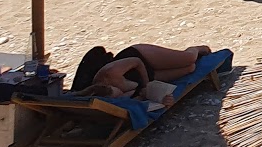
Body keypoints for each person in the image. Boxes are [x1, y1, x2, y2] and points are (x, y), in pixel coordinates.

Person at [72, 43, 213, 106]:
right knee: (190, 68)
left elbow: (136, 61)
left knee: (188, 58)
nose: (122, 94)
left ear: (107, 85)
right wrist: (160, 99)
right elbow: (138, 101)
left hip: (141, 57)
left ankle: (197, 48)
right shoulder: (115, 99)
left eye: (119, 93)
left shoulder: (109, 73)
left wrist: (147, 85)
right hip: (147, 76)